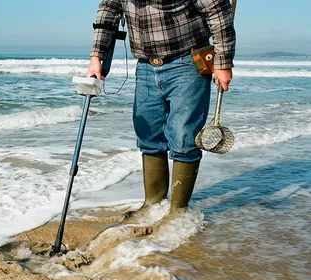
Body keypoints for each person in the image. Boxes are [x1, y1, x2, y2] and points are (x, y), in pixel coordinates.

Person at [87, 0, 236, 231]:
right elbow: (108, 10)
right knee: (148, 133)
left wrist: (223, 63)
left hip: (188, 61)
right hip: (145, 65)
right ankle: (153, 203)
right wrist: (96, 57)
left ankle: (178, 211)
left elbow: (218, 10)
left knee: (184, 137)